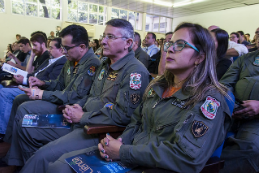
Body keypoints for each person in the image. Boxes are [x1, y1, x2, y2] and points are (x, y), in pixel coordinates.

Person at [45, 22, 233, 173]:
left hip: (155, 166)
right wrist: (121, 142)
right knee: (59, 166)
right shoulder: (158, 86)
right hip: (131, 154)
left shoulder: (209, 99)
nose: (170, 49)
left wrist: (123, 151)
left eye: (180, 45)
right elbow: (136, 122)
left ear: (200, 57)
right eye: (168, 44)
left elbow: (186, 157)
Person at [16, 18, 150, 173]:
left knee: (42, 157)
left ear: (127, 43)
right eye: (104, 36)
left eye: (110, 37)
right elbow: (90, 95)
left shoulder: (135, 72)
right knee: (27, 127)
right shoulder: (105, 65)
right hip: (82, 120)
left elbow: (123, 116)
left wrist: (82, 117)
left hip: (99, 131)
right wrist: (77, 107)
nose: (103, 41)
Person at [2, 24, 101, 168]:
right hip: (61, 99)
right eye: (63, 47)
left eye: (67, 48)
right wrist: (43, 83)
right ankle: (20, 158)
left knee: (25, 109)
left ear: (81, 47)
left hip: (69, 107)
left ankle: (27, 162)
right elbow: (59, 84)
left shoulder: (92, 64)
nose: (64, 51)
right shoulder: (71, 60)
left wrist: (41, 94)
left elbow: (73, 96)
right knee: (22, 104)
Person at [0, 38, 66, 141]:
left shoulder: (62, 61)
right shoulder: (49, 59)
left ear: (61, 50)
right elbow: (33, 73)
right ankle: (8, 134)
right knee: (3, 89)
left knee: (5, 93)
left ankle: (3, 132)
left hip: (38, 89)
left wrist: (25, 80)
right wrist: (24, 77)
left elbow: (50, 81)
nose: (48, 50)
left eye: (51, 48)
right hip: (32, 85)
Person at [220, 36, 259, 173]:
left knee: (251, 148)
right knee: (202, 134)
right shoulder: (246, 58)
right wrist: (230, 104)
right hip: (233, 110)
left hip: (256, 120)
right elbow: (225, 84)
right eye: (257, 33)